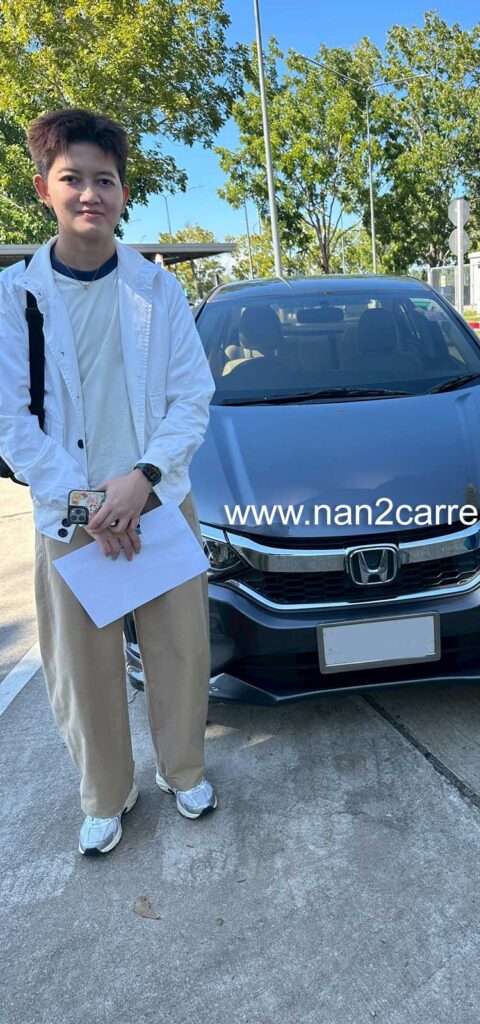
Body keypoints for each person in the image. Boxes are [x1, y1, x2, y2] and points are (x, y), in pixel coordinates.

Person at [0, 109, 217, 853]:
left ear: (124, 193)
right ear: (44, 189)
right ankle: (105, 794)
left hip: (158, 503)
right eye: (73, 179)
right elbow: (11, 422)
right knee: (83, 669)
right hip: (72, 517)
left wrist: (142, 481)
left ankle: (183, 771)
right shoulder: (15, 298)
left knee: (180, 653)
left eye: (105, 179)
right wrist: (89, 501)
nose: (90, 193)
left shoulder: (157, 290)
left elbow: (192, 397)